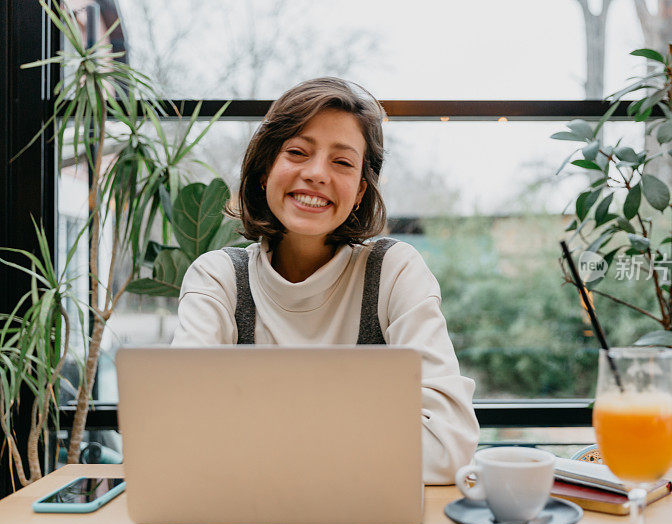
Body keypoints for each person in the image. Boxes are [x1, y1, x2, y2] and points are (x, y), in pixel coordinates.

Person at [172, 77, 479, 484]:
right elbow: (180, 436)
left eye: (343, 162)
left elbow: (448, 446)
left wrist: (254, 440)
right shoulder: (218, 279)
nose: (317, 174)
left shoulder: (394, 271)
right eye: (297, 152)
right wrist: (363, 438)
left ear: (358, 192)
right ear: (265, 171)